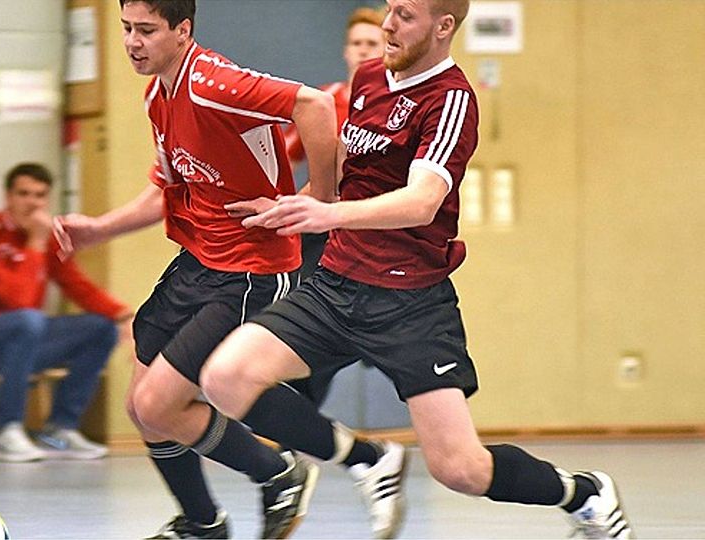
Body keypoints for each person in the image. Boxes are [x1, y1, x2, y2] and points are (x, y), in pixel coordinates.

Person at [201, 1, 634, 539]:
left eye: (405, 14)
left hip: (410, 303)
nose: (387, 25)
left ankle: (584, 494)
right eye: (388, 10)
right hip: (336, 285)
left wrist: (329, 213)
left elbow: (422, 201)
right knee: (226, 377)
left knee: (461, 470)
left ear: (443, 26)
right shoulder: (367, 79)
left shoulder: (450, 99)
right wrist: (285, 208)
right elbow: (338, 179)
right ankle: (369, 460)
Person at [55, 1, 340, 536]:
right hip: (199, 263)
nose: (132, 42)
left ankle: (279, 473)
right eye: (126, 29)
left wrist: (317, 201)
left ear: (182, 30)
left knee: (160, 404)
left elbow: (317, 106)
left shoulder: (213, 82)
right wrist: (99, 228)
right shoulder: (157, 96)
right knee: (142, 407)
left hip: (253, 269)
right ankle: (203, 522)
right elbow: (166, 186)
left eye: (146, 30)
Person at [0, 162, 130, 462]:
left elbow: (75, 284)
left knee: (101, 328)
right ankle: (7, 432)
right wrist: (35, 243)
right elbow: (17, 301)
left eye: (40, 195)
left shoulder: (47, 239)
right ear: (8, 197)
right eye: (24, 194)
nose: (32, 203)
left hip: (24, 340)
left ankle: (60, 430)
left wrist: (122, 315)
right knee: (28, 321)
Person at [284, 7, 386, 282]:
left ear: (387, 50)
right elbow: (284, 158)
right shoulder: (323, 101)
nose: (363, 50)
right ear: (346, 51)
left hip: (371, 229)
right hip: (321, 226)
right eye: (356, 44)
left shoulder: (394, 107)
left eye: (372, 44)